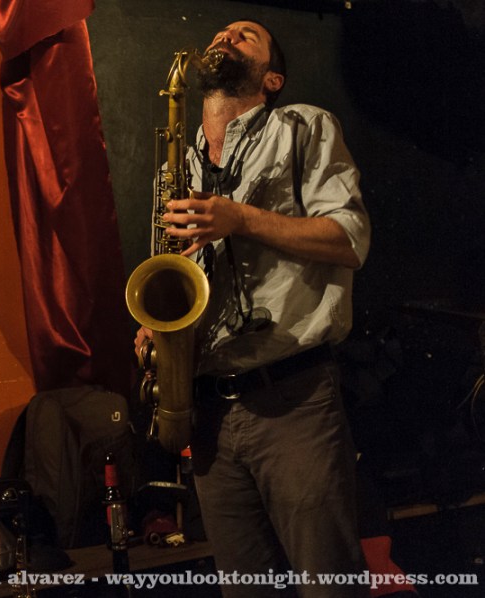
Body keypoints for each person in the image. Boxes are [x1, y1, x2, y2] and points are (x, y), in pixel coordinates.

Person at [134, 20, 372, 598]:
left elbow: (350, 239)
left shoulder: (304, 126)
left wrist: (240, 217)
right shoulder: (176, 168)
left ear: (273, 79)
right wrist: (156, 326)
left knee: (327, 585)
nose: (226, 36)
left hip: (293, 400)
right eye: (223, 32)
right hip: (211, 415)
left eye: (246, 35)